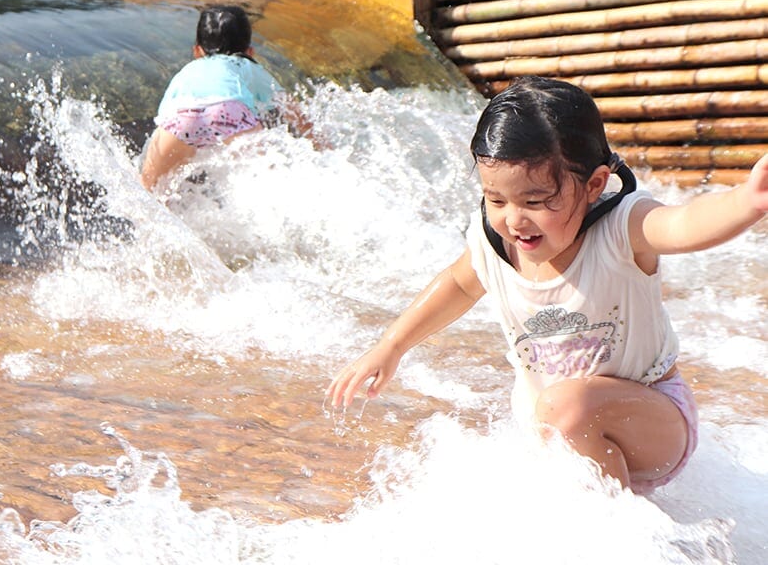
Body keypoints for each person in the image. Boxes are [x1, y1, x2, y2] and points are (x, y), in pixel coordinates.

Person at [327, 76, 768, 493]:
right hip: (560, 430)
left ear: (595, 184)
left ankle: (621, 538)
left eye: (537, 201)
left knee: (566, 407)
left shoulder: (621, 229)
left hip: (652, 421)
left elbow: (682, 224)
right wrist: (393, 344)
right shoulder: (493, 243)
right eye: (496, 199)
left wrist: (746, 202)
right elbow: (458, 286)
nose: (514, 219)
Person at [140, 4, 309, 191]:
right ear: (250, 52)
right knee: (270, 185)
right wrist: (321, 144)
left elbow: (165, 115)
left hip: (180, 120)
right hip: (229, 113)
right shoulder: (245, 64)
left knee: (149, 190)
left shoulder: (185, 73)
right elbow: (288, 105)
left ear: (196, 50)